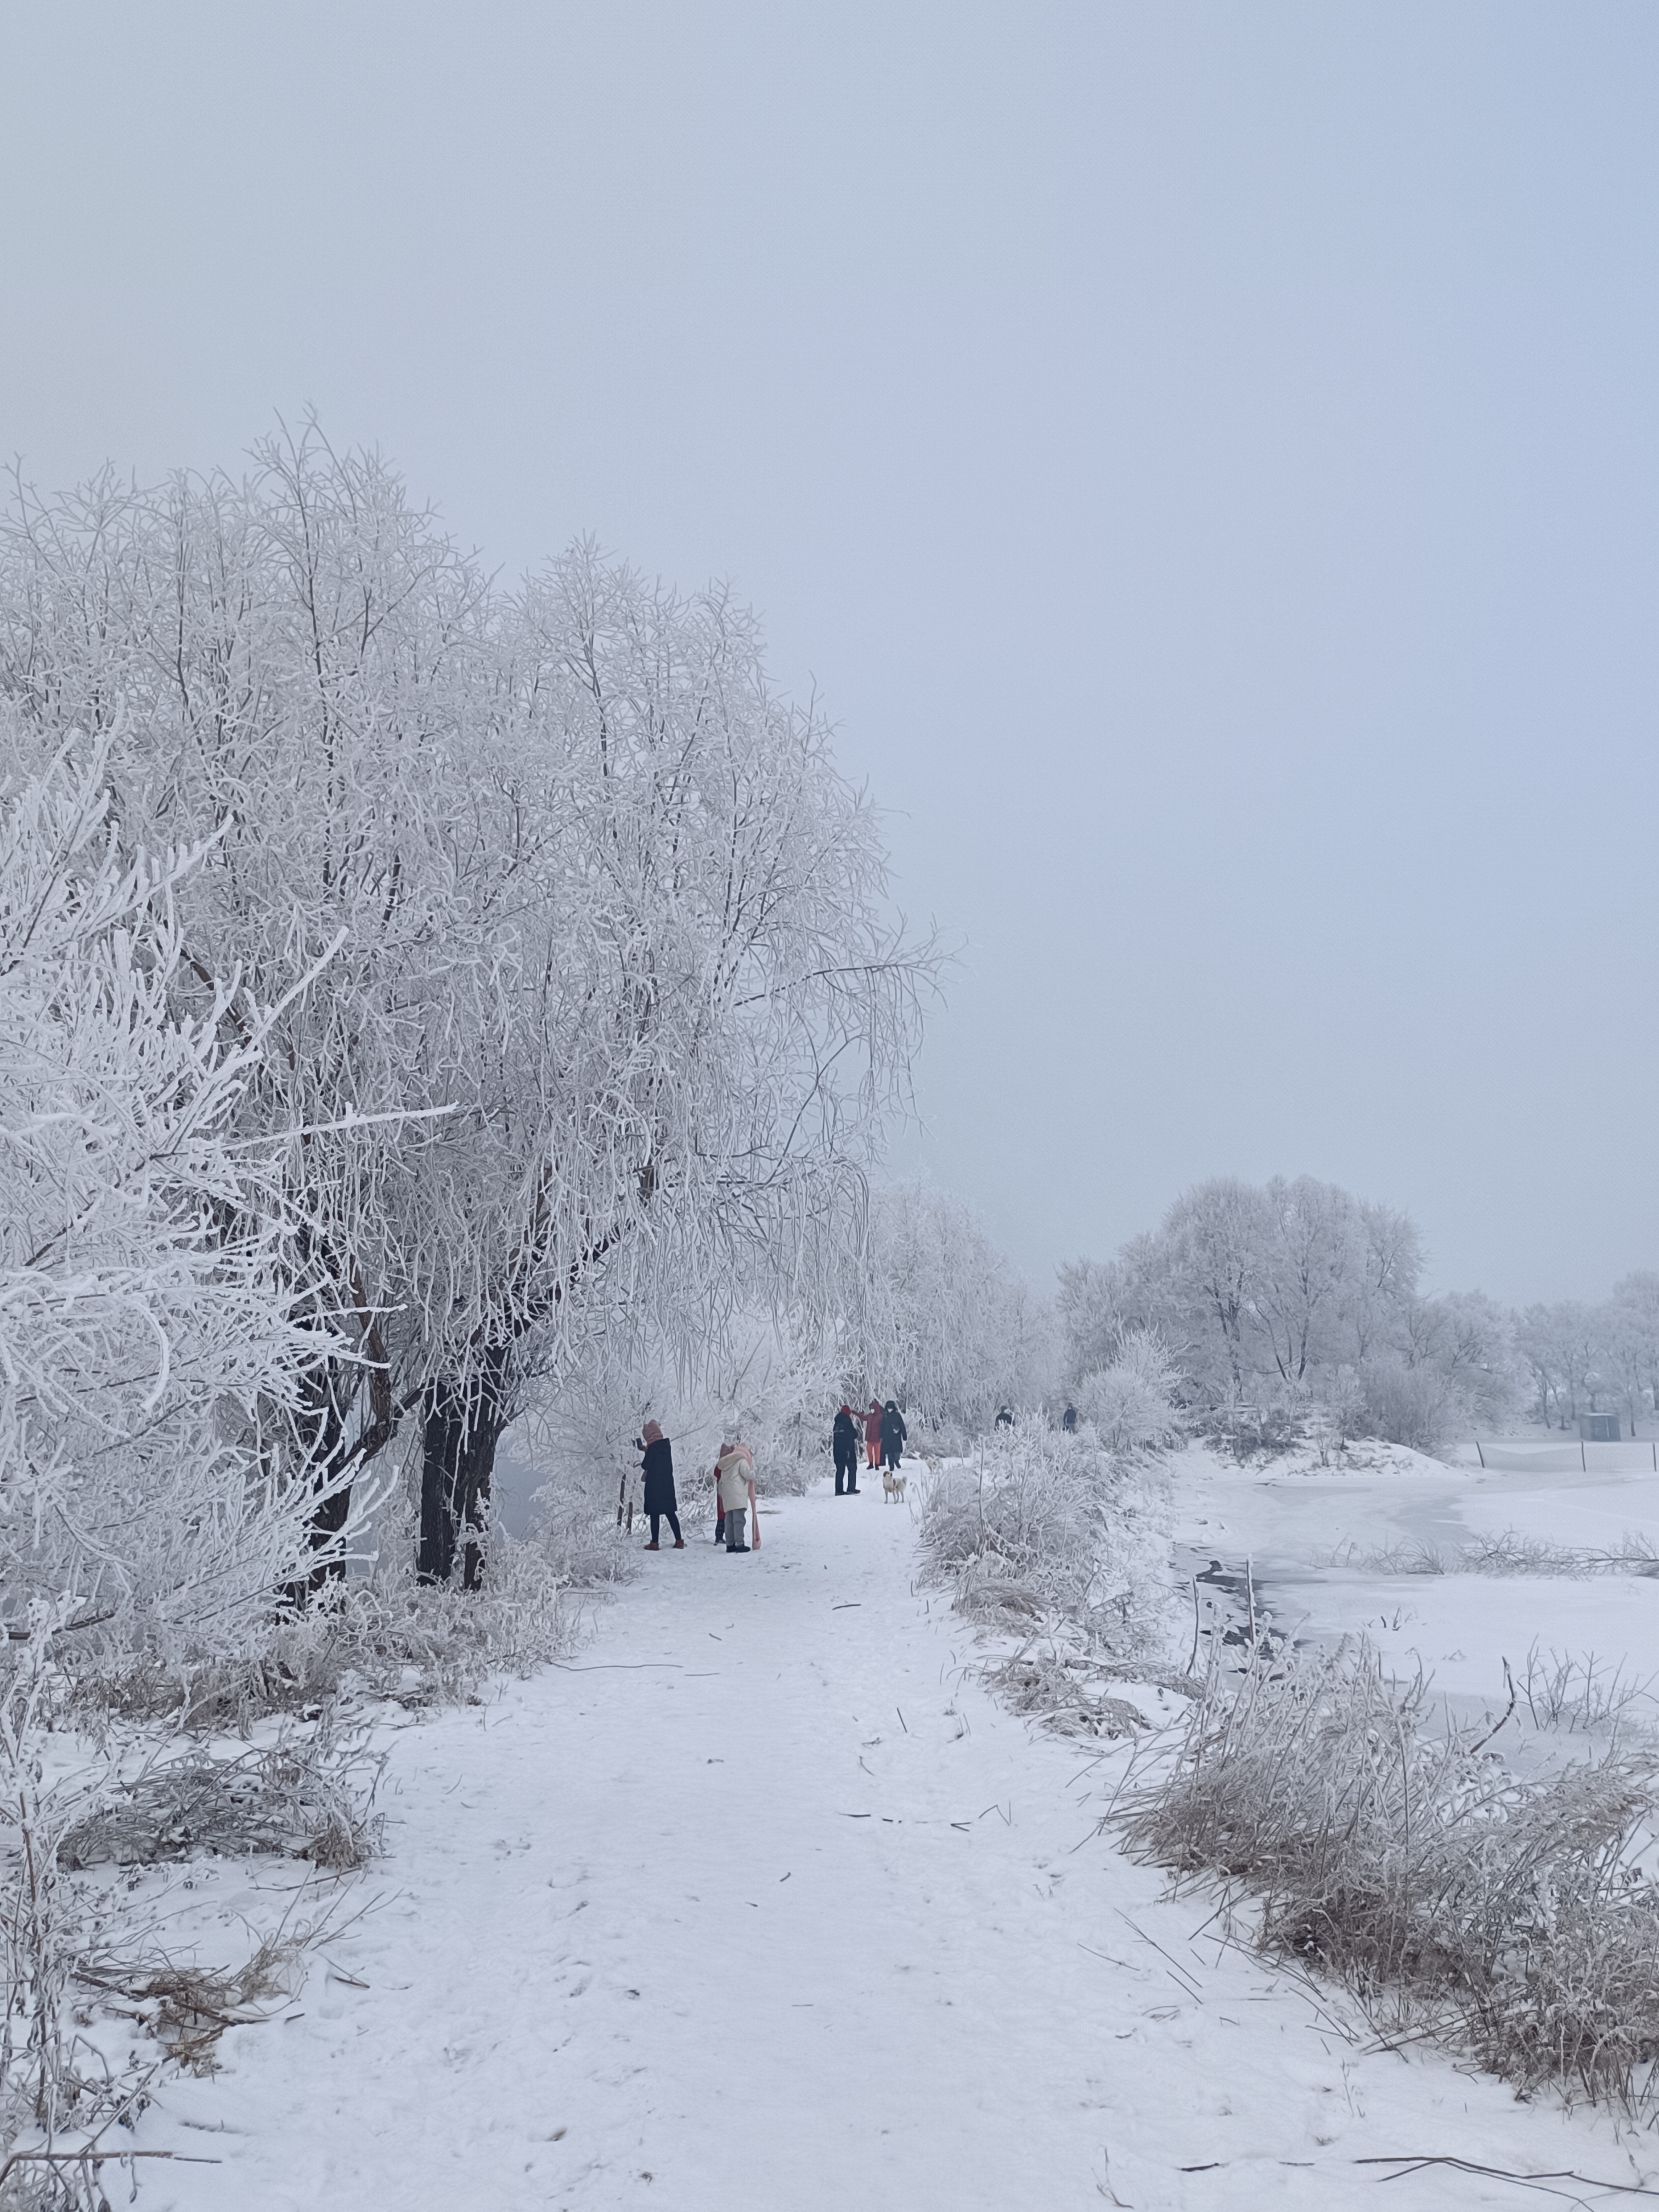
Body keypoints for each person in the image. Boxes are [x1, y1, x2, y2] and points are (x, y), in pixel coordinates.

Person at [637, 1420, 682, 1550]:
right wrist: (648, 1450)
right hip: (667, 1485)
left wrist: (647, 1451)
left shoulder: (653, 1449)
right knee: (670, 1513)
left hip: (655, 1487)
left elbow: (646, 1465)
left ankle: (655, 1543)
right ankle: (679, 1541)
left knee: (654, 1514)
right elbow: (658, 1460)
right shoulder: (665, 1446)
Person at [716, 1438, 755, 1552]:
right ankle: (740, 1544)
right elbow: (748, 1475)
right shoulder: (741, 1461)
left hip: (727, 1497)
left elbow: (721, 1483)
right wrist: (753, 1472)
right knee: (739, 1520)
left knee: (729, 1521)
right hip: (738, 1496)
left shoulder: (725, 1465)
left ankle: (730, 1544)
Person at [832, 1403, 860, 1496]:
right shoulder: (847, 1422)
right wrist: (848, 1451)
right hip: (848, 1451)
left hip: (837, 1451)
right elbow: (853, 1434)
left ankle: (839, 1490)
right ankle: (851, 1488)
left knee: (840, 1470)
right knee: (852, 1468)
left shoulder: (837, 1424)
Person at [879, 1398, 907, 1471]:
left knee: (897, 1452)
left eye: (891, 1408)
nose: (890, 1410)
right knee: (889, 1453)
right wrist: (880, 1436)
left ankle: (896, 1461)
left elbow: (902, 1426)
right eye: (889, 1408)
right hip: (887, 1438)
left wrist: (904, 1435)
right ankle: (891, 1466)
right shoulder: (885, 1417)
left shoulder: (897, 1416)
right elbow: (881, 1427)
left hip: (896, 1438)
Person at [864, 1398, 883, 1472]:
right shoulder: (870, 1416)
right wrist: (856, 1413)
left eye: (873, 1408)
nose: (872, 1410)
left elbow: (883, 1426)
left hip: (877, 1438)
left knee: (877, 1452)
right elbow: (863, 1418)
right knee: (869, 1451)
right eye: (871, 1408)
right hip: (869, 1438)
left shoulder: (880, 1416)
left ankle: (877, 1465)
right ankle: (871, 1464)